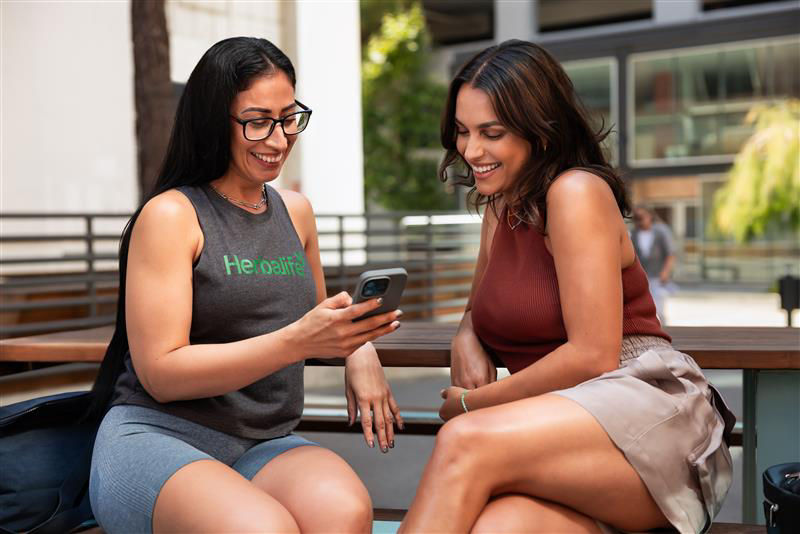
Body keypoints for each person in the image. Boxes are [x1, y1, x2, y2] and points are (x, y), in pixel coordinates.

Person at [399, 40, 735, 534]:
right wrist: (466, 333)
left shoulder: (575, 192)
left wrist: (471, 404)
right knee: (498, 526)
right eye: (463, 132)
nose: (471, 151)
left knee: (464, 438)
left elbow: (592, 355)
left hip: (643, 415)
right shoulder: (501, 204)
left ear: (540, 129)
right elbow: (480, 305)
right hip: (560, 434)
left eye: (491, 133)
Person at [86, 37, 404, 534]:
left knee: (345, 512)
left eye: (288, 117)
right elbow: (161, 373)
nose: (278, 139)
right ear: (215, 120)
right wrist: (295, 343)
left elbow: (318, 310)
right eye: (257, 121)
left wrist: (358, 349)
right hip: (157, 438)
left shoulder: (295, 211)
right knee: (262, 529)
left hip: (262, 441)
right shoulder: (172, 215)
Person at [632, 205, 677, 323]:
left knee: (659, 309)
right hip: (641, 277)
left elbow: (671, 253)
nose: (640, 221)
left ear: (649, 216)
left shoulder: (661, 231)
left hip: (658, 275)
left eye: (642, 217)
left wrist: (665, 272)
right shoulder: (634, 234)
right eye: (636, 218)